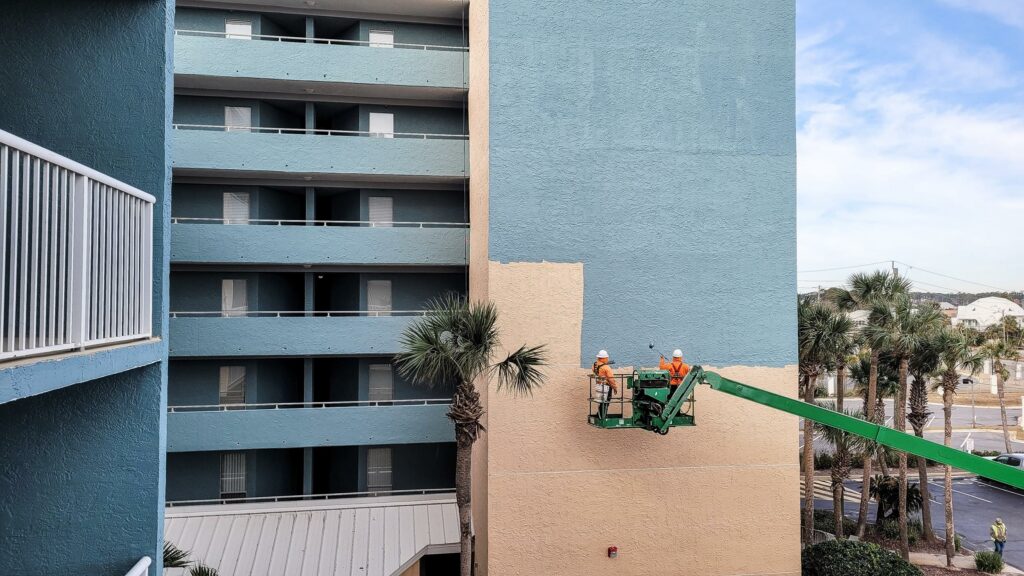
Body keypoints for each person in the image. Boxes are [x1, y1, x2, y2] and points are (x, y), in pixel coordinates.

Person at [592, 350, 618, 418]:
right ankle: (602, 416)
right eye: (606, 358)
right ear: (604, 358)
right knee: (606, 401)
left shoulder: (595, 365)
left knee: (601, 401)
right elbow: (611, 379)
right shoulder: (606, 368)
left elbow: (596, 370)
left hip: (599, 385)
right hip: (606, 387)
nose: (607, 359)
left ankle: (599, 414)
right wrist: (615, 388)